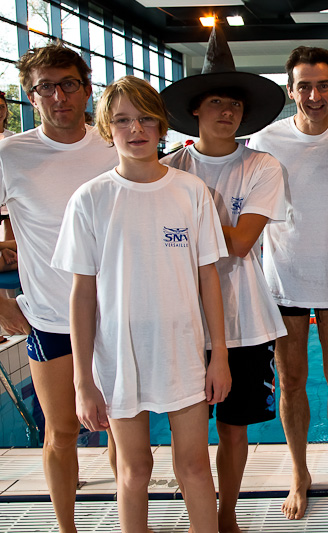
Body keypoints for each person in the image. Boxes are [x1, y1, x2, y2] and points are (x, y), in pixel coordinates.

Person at [51, 75, 230, 533]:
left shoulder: (191, 192)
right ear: (106, 128)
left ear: (162, 125)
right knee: (134, 471)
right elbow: (82, 294)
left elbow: (209, 279)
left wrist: (220, 356)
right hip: (119, 357)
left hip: (183, 352)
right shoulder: (90, 199)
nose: (136, 129)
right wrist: (83, 380)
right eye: (122, 120)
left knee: (194, 467)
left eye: (146, 119)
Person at [160, 25, 288, 533]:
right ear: (196, 109)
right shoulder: (168, 167)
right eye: (216, 101)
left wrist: (190, 217)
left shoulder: (262, 166)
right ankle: (199, 514)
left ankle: (227, 513)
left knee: (235, 430)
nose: (226, 111)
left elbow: (240, 243)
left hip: (244, 320)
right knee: (186, 433)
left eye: (234, 103)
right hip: (182, 320)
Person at [247, 46, 328, 521]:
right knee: (292, 381)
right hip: (284, 282)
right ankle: (299, 473)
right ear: (290, 90)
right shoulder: (265, 141)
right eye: (304, 86)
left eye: (322, 86)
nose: (314, 96)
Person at [0, 43, 119, 533]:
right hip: (51, 315)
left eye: (68, 84)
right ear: (31, 97)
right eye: (44, 87)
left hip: (116, 314)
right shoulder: (11, 155)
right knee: (62, 429)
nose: (58, 96)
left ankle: (131, 518)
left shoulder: (114, 145)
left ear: (87, 90)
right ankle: (67, 528)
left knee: (123, 427)